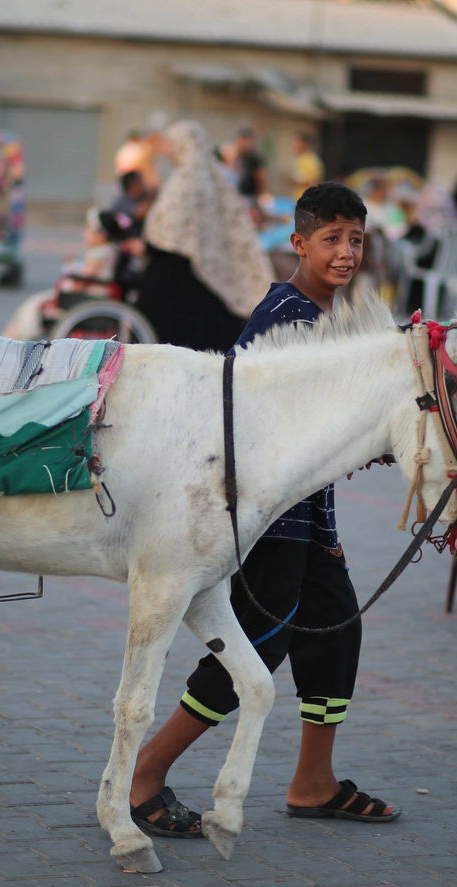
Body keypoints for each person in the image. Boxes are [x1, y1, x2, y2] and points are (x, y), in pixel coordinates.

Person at [129, 181, 400, 838]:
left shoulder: (329, 317)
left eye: (356, 239)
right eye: (331, 238)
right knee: (256, 643)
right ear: (299, 243)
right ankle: (143, 773)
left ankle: (314, 782)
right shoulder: (285, 315)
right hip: (266, 516)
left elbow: (324, 434)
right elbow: (257, 420)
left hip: (310, 517)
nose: (345, 252)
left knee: (335, 627)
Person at [134, 121, 273, 352]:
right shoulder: (214, 176)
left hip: (177, 273)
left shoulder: (187, 180)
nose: (167, 151)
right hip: (202, 271)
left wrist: (146, 244)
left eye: (170, 144)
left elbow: (169, 231)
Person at [229, 127, 266, 204]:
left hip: (250, 197)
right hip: (237, 195)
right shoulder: (236, 157)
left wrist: (261, 196)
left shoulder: (253, 159)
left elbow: (261, 178)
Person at [287, 132, 323, 202]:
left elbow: (314, 182)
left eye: (297, 142)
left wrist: (296, 181)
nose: (294, 145)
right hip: (297, 200)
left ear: (304, 144)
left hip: (307, 201)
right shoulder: (299, 159)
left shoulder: (311, 160)